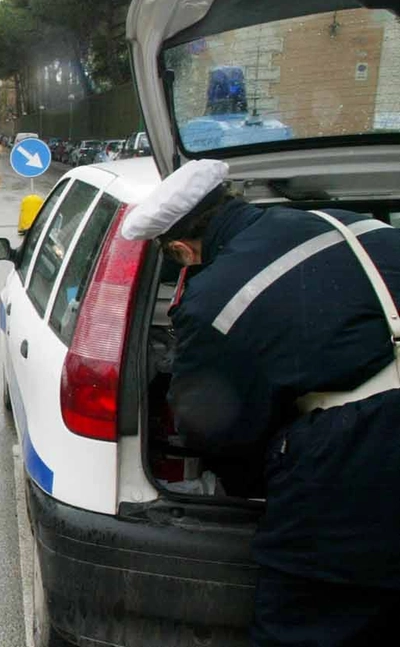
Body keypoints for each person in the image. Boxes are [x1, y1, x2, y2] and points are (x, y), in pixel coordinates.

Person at [121, 159, 400, 645]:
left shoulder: (215, 301)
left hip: (360, 476)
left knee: (307, 624)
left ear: (181, 250)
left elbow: (217, 430)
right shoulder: (351, 223)